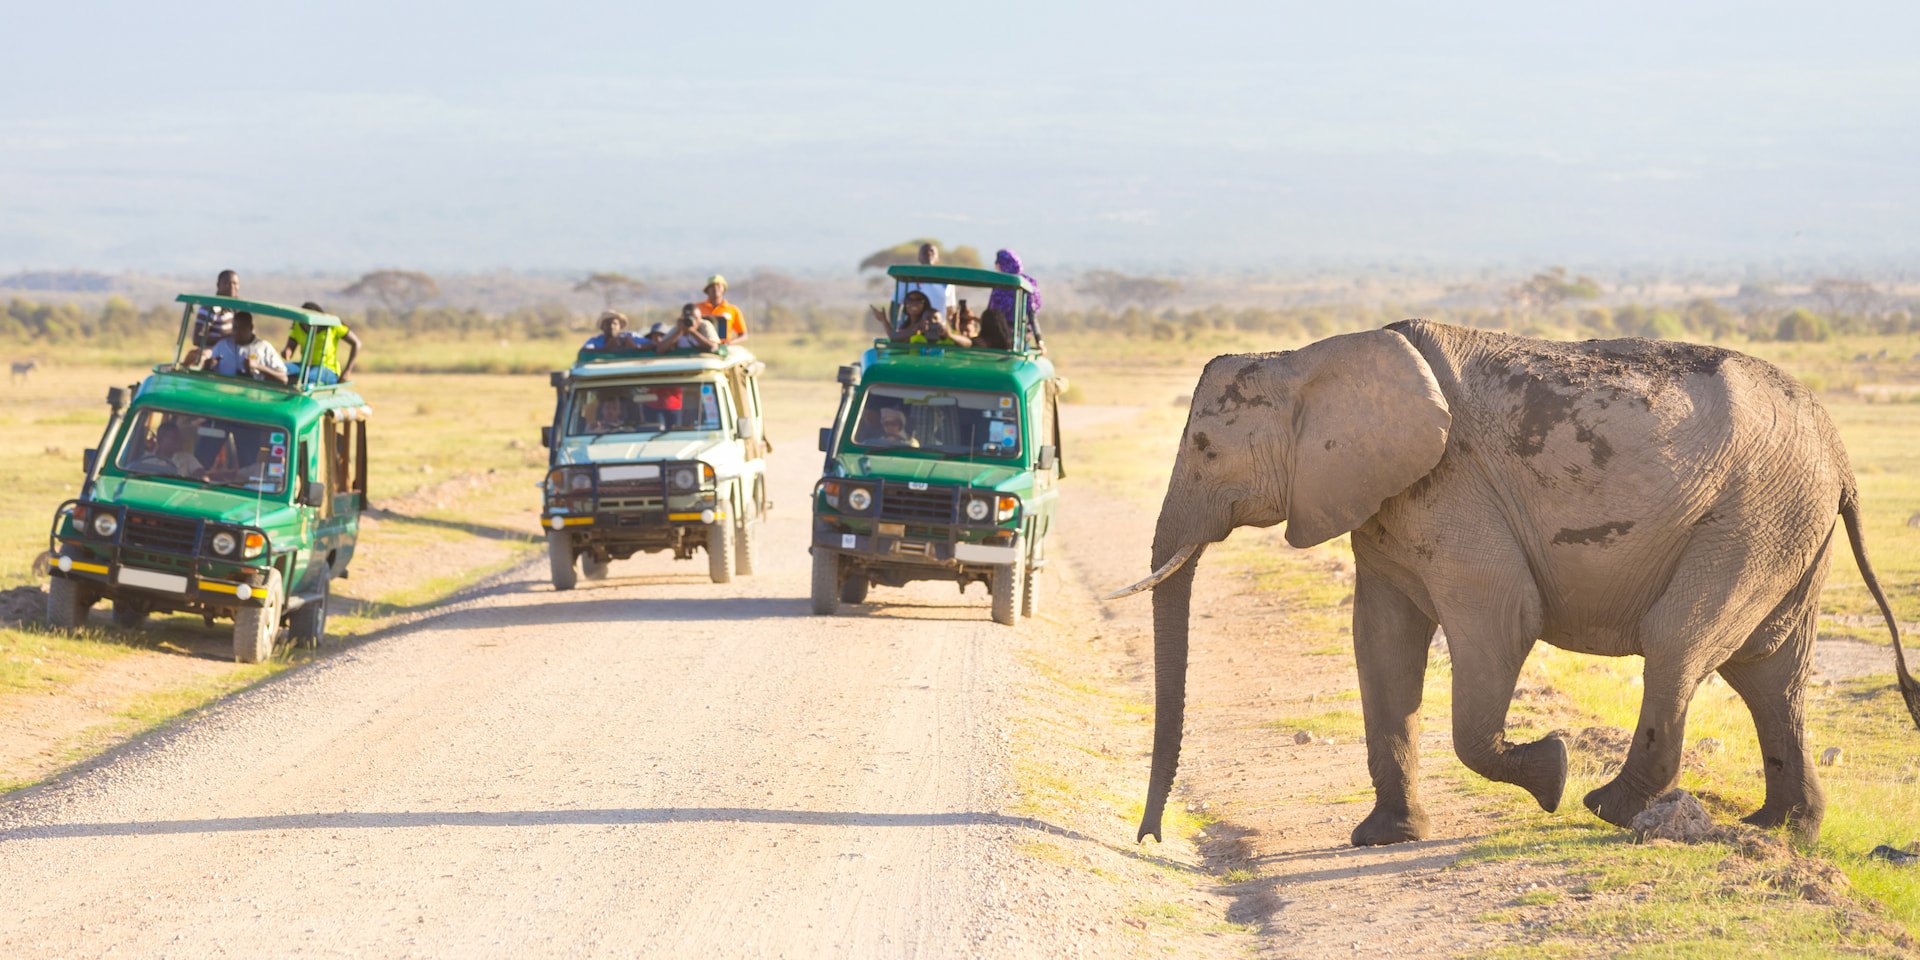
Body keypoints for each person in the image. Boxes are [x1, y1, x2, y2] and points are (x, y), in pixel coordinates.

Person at [283, 301, 361, 386]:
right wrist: (287, 352)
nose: (305, 325)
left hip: (327, 369)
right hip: (304, 366)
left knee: (307, 378)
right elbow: (290, 348)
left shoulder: (331, 325)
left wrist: (347, 370)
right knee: (278, 369)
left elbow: (356, 343)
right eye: (303, 322)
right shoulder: (298, 325)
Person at [987, 249, 1046, 354]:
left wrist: (1039, 341)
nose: (996, 266)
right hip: (996, 336)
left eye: (997, 263)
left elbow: (1031, 317)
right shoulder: (997, 285)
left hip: (1016, 339)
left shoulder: (1024, 285)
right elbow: (989, 314)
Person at [202, 312, 288, 384]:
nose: (236, 333)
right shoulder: (222, 345)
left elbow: (283, 379)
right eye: (234, 329)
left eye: (241, 329)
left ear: (251, 328)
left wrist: (258, 366)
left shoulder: (263, 347)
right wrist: (207, 367)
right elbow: (206, 374)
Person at [185, 270, 240, 366]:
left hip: (235, 350)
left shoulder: (239, 308)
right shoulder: (210, 308)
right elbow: (197, 339)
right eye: (227, 283)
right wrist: (227, 339)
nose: (232, 287)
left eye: (235, 283)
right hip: (212, 350)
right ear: (218, 285)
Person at [889, 290, 970, 346]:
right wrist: (916, 331)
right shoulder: (916, 336)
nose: (932, 321)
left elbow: (968, 343)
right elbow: (893, 338)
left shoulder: (948, 336)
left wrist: (949, 335)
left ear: (942, 321)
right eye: (928, 318)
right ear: (922, 321)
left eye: (935, 318)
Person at [696, 275, 747, 342]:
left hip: (724, 347)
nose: (715, 288)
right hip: (702, 346)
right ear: (707, 290)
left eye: (718, 285)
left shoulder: (733, 310)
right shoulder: (697, 308)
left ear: (723, 289)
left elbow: (743, 335)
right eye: (712, 286)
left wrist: (729, 343)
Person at [653, 303, 720, 353]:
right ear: (682, 317)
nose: (690, 320)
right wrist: (678, 333)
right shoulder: (680, 326)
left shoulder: (705, 325)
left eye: (695, 318)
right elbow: (659, 350)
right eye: (688, 317)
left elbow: (714, 347)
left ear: (700, 318)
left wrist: (693, 332)